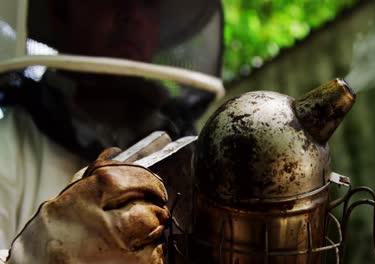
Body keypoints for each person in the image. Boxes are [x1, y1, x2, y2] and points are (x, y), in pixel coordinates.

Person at [0, 0, 224, 262]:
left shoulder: (192, 154)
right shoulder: (7, 148)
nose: (132, 14)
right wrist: (38, 254)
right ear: (59, 12)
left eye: (149, 3)